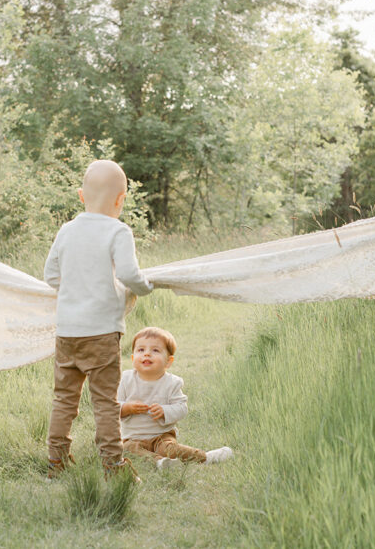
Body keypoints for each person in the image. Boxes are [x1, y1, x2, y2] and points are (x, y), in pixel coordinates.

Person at [43, 159, 154, 480]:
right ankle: (113, 465)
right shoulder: (118, 231)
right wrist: (144, 288)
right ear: (121, 200)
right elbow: (131, 274)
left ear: (81, 196)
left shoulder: (66, 231)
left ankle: (56, 461)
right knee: (105, 402)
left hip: (67, 334)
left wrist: (76, 289)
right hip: (102, 334)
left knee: (64, 399)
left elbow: (51, 275)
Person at [118, 326, 233, 470]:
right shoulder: (125, 379)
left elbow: (181, 408)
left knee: (169, 448)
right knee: (127, 449)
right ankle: (159, 462)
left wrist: (165, 411)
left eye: (155, 350)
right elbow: (111, 406)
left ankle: (206, 457)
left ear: (168, 361)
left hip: (162, 436)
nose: (147, 354)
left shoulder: (171, 383)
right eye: (141, 350)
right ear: (133, 357)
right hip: (132, 437)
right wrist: (126, 407)